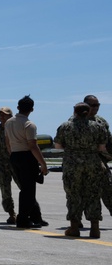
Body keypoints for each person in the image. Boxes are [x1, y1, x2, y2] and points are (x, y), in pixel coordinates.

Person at [54, 102, 110, 238]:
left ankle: (74, 227)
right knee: (93, 194)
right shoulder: (98, 126)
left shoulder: (65, 126)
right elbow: (102, 147)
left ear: (75, 111)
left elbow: (57, 146)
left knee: (73, 194)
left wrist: (73, 149)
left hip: (72, 164)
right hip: (93, 163)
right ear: (88, 111)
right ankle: (95, 228)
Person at [4, 95, 49, 229]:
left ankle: (35, 217)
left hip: (14, 156)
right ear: (32, 109)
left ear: (18, 107)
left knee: (25, 189)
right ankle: (23, 219)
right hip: (27, 157)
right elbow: (33, 146)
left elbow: (7, 143)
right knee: (28, 191)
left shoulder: (9, 122)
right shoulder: (29, 125)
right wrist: (43, 164)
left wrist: (13, 155)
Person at [84, 95, 112, 220]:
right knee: (86, 193)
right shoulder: (76, 122)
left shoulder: (101, 121)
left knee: (108, 189)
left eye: (97, 105)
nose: (96, 108)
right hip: (83, 163)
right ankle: (81, 220)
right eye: (93, 105)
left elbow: (109, 142)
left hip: (101, 162)